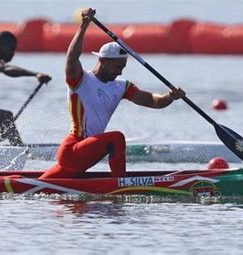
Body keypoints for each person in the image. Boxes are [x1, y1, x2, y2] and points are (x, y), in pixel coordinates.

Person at [40, 8, 185, 179]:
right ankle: (121, 184)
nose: (120, 73)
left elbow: (154, 101)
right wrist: (84, 25)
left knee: (34, 187)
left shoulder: (121, 86)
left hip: (88, 153)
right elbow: (72, 58)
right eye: (117, 67)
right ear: (102, 60)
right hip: (73, 151)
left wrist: (170, 96)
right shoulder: (80, 80)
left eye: (122, 68)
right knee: (116, 138)